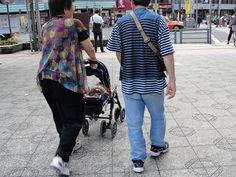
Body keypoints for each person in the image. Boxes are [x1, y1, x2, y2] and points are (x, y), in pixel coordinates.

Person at [107, 0, 176, 173]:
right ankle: (157, 147)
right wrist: (173, 80)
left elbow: (118, 52)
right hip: (153, 81)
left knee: (133, 122)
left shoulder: (121, 23)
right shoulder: (158, 20)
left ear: (131, 2)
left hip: (130, 82)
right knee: (158, 115)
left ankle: (138, 160)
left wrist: (129, 66)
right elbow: (167, 52)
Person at [36, 0, 97, 175]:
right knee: (75, 119)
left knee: (60, 115)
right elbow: (90, 48)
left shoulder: (46, 25)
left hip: (45, 77)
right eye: (73, 5)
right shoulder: (74, 23)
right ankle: (61, 158)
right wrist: (93, 62)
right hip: (65, 79)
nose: (74, 8)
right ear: (66, 8)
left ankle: (68, 147)